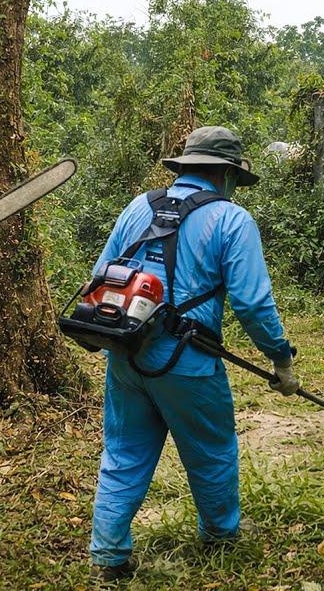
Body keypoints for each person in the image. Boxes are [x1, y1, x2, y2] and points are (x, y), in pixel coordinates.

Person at [88, 126, 300, 581]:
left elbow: (101, 275)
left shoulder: (137, 207)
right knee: (211, 449)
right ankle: (221, 536)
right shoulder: (231, 220)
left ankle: (108, 555)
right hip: (189, 360)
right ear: (226, 175)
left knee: (124, 451)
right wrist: (280, 358)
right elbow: (253, 303)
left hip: (127, 353)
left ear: (184, 168)